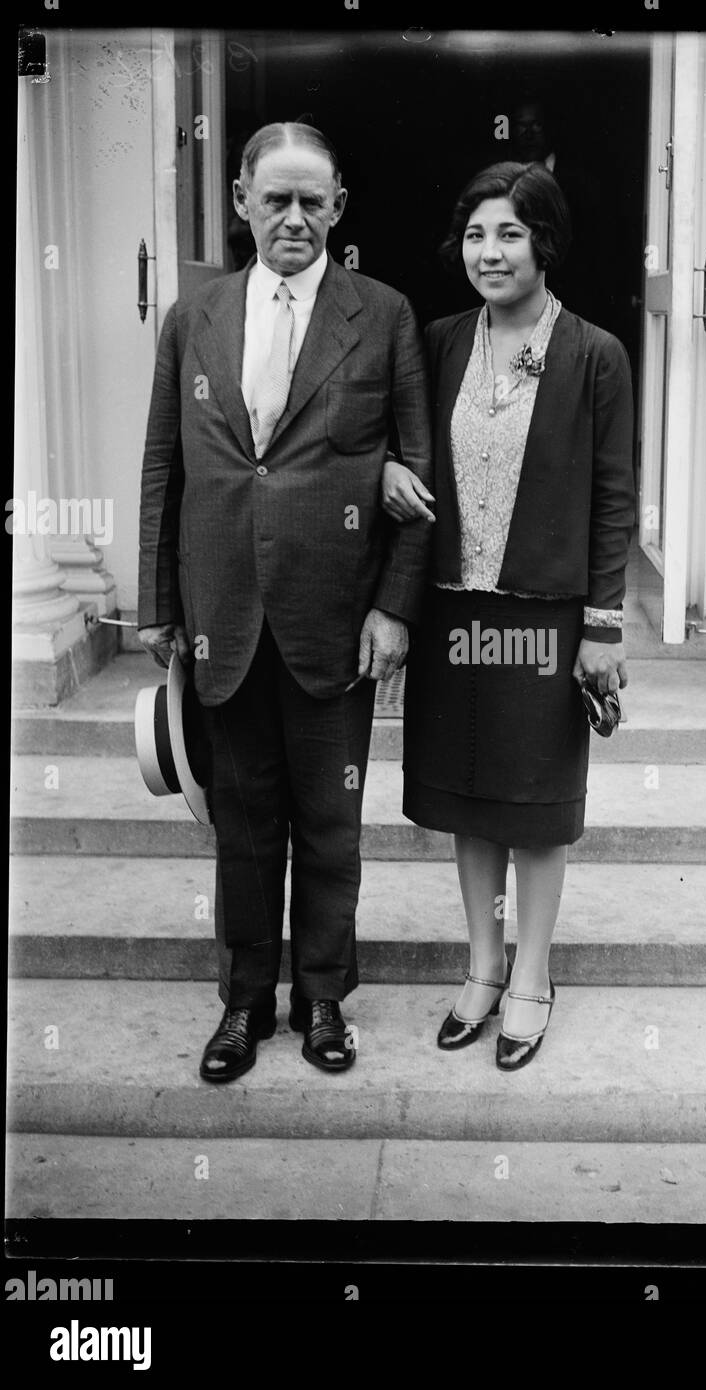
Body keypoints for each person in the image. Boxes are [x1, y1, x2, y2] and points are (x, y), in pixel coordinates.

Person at [137, 122, 432, 1084]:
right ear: (241, 202)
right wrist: (157, 604)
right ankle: (242, 1004)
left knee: (330, 823)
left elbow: (418, 473)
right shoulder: (195, 317)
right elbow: (163, 465)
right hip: (221, 612)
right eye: (277, 200)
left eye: (314, 201)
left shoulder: (381, 314)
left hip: (333, 621)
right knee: (244, 821)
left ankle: (323, 1000)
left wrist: (393, 608)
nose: (295, 218)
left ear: (338, 208)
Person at [382, 161, 635, 1071]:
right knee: (468, 799)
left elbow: (613, 496)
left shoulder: (594, 353)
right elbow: (397, 442)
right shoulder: (441, 339)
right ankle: (482, 965)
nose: (489, 252)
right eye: (477, 234)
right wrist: (382, 471)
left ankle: (533, 973)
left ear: (545, 243)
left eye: (510, 234)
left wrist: (601, 627)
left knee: (533, 804)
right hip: (452, 613)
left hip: (544, 619)